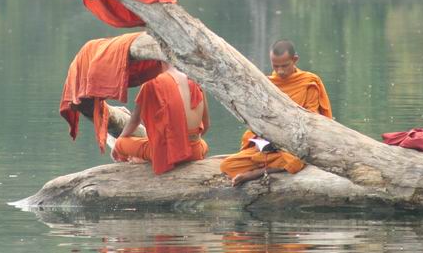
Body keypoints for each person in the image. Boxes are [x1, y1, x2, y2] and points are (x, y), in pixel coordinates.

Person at [220, 40, 331, 186]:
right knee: (228, 165)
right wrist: (262, 138)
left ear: (295, 60)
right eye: (276, 66)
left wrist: (286, 138)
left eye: (284, 66)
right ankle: (274, 165)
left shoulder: (308, 82)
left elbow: (312, 121)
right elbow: (259, 120)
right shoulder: (267, 84)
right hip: (270, 145)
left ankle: (256, 173)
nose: (280, 71)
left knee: (296, 161)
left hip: (296, 146)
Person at [112, 63, 210, 174]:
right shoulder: (195, 79)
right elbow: (206, 125)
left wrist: (117, 145)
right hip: (195, 151)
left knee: (120, 143)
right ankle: (144, 157)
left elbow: (135, 121)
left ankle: (136, 162)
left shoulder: (151, 83)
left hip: (168, 155)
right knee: (203, 144)